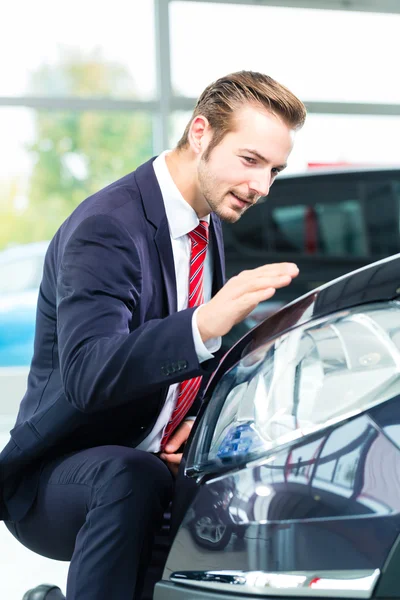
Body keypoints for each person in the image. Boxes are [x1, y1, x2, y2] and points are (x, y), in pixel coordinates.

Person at [0, 70, 306, 599]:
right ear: (200, 133)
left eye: (274, 170)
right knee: (132, 477)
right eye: (250, 160)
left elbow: (183, 368)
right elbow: (88, 375)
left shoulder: (203, 221)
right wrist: (205, 322)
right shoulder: (108, 226)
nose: (262, 187)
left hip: (146, 452)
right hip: (57, 475)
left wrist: (188, 427)